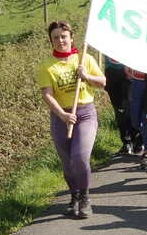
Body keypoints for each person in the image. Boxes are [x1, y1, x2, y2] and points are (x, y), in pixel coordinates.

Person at [36, 21, 106, 219]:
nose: (60, 41)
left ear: (71, 38)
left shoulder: (84, 58)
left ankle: (85, 197)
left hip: (85, 113)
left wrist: (86, 76)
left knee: (80, 156)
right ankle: (74, 196)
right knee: (67, 162)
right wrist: (63, 115)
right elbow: (47, 94)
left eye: (64, 36)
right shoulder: (46, 66)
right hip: (61, 117)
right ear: (51, 40)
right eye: (56, 37)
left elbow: (102, 82)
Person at [104, 56, 140, 157]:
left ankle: (137, 138)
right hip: (111, 72)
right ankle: (126, 143)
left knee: (130, 108)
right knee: (119, 110)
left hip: (129, 71)